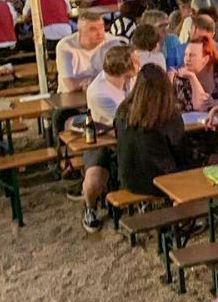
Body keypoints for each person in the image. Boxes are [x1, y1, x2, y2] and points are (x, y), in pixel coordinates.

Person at [80, 42, 138, 234]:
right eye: (135, 60)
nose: (139, 62)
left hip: (128, 135)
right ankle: (90, 207)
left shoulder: (132, 80)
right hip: (102, 139)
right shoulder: (99, 92)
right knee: (95, 179)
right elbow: (124, 121)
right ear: (125, 68)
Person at [115, 64, 191, 197]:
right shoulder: (168, 115)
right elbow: (180, 150)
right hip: (162, 180)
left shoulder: (122, 110)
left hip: (129, 179)